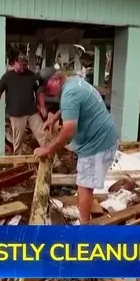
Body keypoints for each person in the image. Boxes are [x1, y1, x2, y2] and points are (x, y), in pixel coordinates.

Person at [34, 67, 118, 224]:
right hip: (99, 138)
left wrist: (48, 148)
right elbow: (73, 106)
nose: (45, 92)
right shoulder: (73, 82)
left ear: (56, 79)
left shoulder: (70, 94)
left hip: (97, 143)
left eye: (46, 88)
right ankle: (82, 211)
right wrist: (57, 116)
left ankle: (84, 227)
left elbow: (68, 131)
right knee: (83, 181)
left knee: (85, 185)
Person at [0, 56, 60, 167]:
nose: (23, 67)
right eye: (21, 65)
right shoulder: (7, 76)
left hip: (32, 112)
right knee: (18, 141)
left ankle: (55, 161)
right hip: (16, 114)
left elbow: (38, 92)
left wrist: (42, 106)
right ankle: (18, 165)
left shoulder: (32, 76)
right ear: (14, 63)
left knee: (43, 134)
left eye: (25, 65)